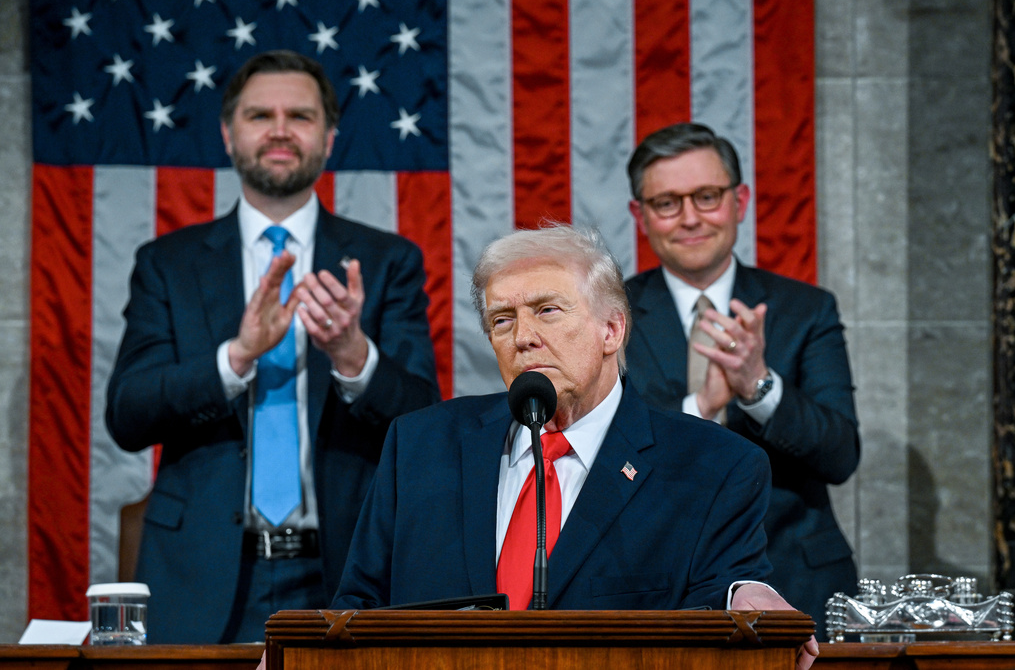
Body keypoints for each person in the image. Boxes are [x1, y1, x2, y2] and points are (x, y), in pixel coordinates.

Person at [328, 225, 818, 669]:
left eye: (547, 310)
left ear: (612, 329)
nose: (523, 338)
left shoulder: (712, 465)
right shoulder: (420, 446)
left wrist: (746, 595)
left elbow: (725, 592)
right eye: (502, 320)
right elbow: (358, 608)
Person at [104, 50, 441, 644]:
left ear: (330, 138)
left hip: (346, 572)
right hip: (200, 574)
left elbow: (424, 421)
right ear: (229, 134)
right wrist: (234, 357)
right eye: (261, 115)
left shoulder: (388, 262)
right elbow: (128, 415)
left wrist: (352, 356)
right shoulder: (168, 264)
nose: (281, 129)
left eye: (301, 116)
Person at [624, 122, 859, 639]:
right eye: (667, 203)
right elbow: (600, 455)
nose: (689, 218)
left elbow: (842, 456)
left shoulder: (806, 310)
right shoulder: (610, 316)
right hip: (658, 586)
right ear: (640, 216)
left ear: (740, 200)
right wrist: (700, 407)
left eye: (707, 196)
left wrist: (758, 386)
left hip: (799, 583)